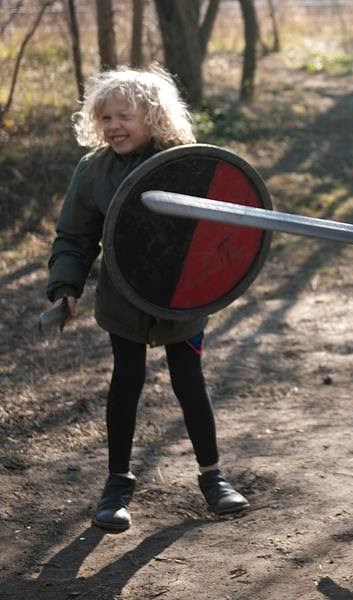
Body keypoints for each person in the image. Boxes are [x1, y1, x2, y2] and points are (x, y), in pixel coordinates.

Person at [46, 65, 249, 532]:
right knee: (127, 380)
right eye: (106, 118)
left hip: (182, 297)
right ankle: (117, 484)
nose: (114, 126)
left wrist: (214, 278)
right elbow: (75, 236)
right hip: (125, 297)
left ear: (153, 117)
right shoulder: (93, 171)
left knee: (188, 379)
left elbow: (221, 227)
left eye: (125, 116)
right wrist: (65, 287)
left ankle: (212, 477)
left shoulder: (187, 163)